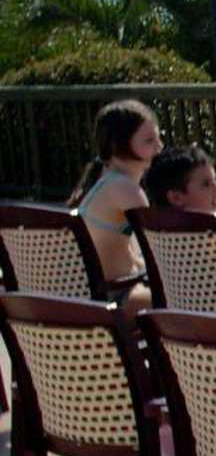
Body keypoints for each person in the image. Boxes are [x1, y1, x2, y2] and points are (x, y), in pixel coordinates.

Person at [67, 99, 163, 319]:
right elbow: (160, 248)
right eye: (149, 140)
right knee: (195, 300)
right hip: (110, 298)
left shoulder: (105, 180)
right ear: (118, 145)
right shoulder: (124, 188)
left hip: (97, 294)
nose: (159, 147)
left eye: (158, 138)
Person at [142, 144, 216, 247]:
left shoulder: (158, 231)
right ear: (176, 198)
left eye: (215, 180)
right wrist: (214, 217)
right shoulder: (209, 227)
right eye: (206, 184)